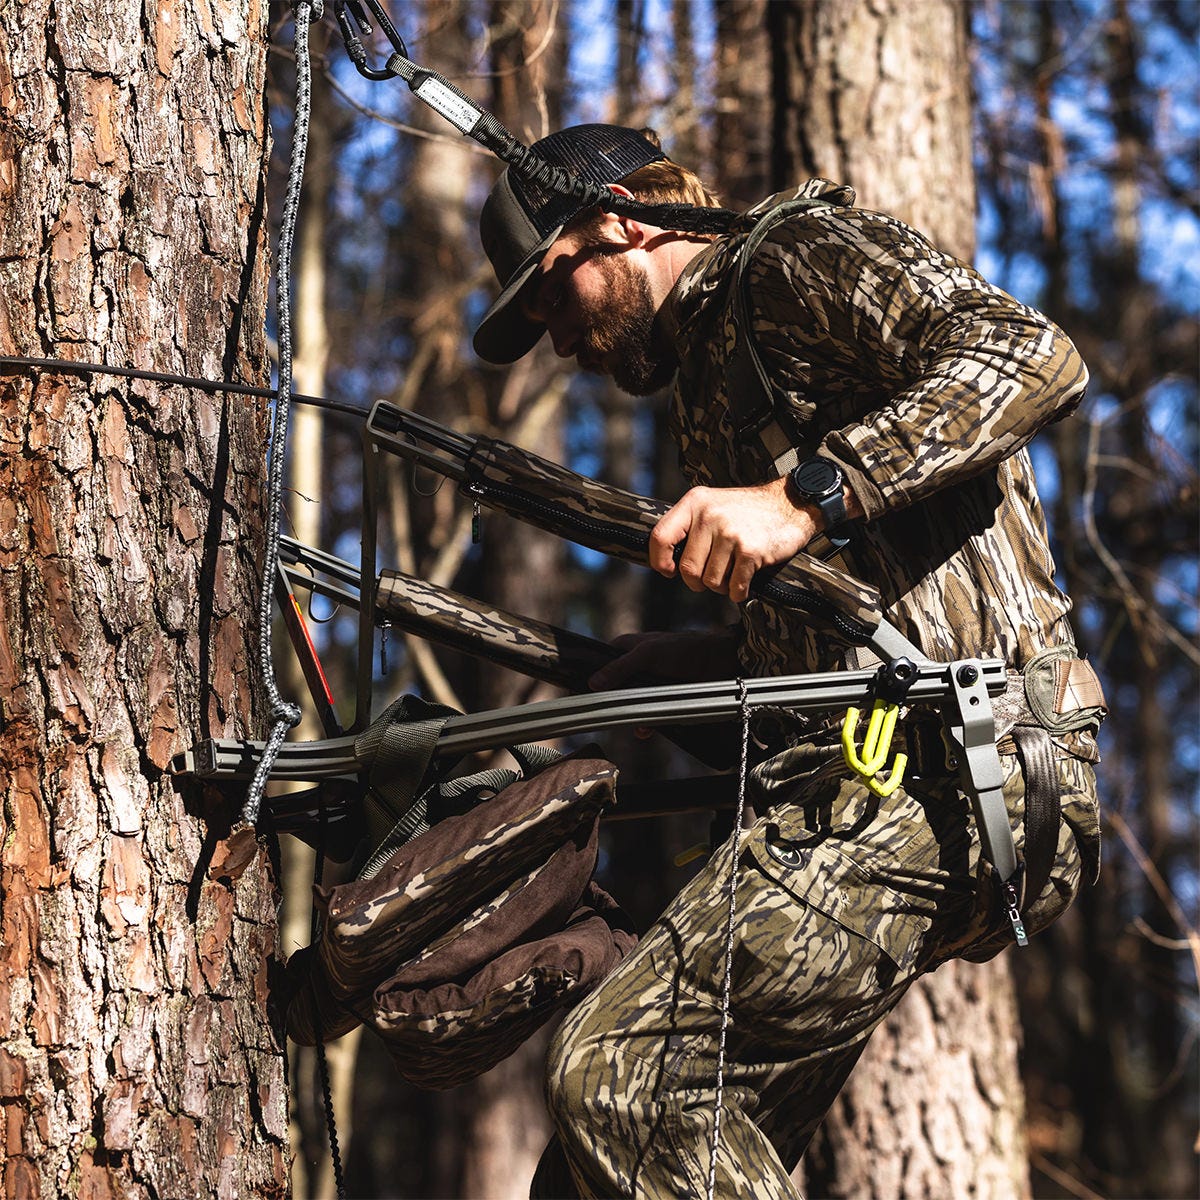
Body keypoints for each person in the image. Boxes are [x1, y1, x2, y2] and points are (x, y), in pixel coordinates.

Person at [472, 124, 1105, 1198]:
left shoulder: (791, 259)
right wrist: (693, 661)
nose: (553, 337)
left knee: (625, 1081)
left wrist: (806, 496)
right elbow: (864, 606)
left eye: (548, 291)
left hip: (962, 765)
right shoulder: (714, 372)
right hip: (863, 787)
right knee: (588, 1174)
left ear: (624, 220)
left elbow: (1031, 355)